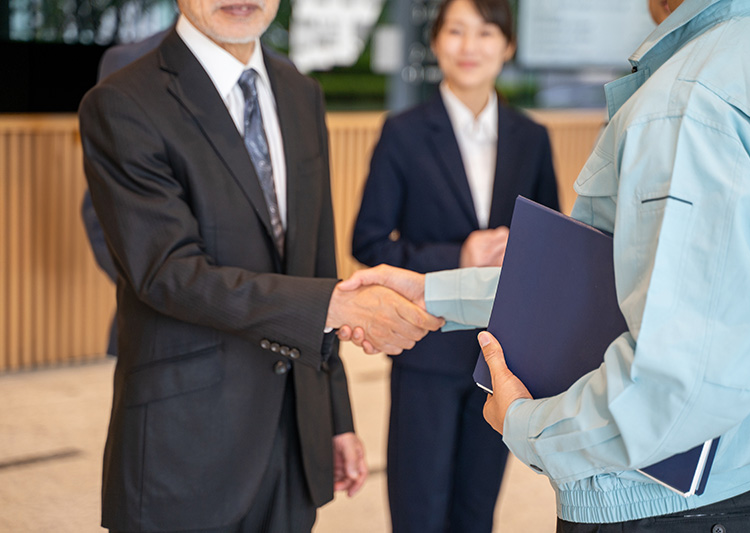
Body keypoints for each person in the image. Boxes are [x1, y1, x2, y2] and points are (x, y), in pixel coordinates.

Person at [341, 0, 750, 530]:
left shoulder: (688, 101)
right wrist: (436, 292)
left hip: (665, 509)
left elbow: (676, 382)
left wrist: (526, 424)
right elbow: (592, 273)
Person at [78, 0, 444, 530]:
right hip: (184, 444)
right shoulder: (123, 101)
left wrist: (335, 415)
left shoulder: (301, 93)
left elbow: (315, 262)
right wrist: (339, 304)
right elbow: (168, 273)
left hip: (293, 435)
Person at [350, 0, 559, 530]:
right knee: (418, 509)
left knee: (476, 510)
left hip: (500, 359)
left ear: (507, 46)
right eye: (457, 32)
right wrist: (457, 258)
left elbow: (550, 244)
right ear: (437, 42)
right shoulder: (402, 131)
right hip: (426, 349)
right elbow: (369, 239)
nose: (471, 47)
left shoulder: (531, 137)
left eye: (486, 33)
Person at [80, 27, 171, 356]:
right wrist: (146, 286)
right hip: (159, 327)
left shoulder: (286, 75)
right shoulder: (131, 62)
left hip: (271, 342)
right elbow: (100, 209)